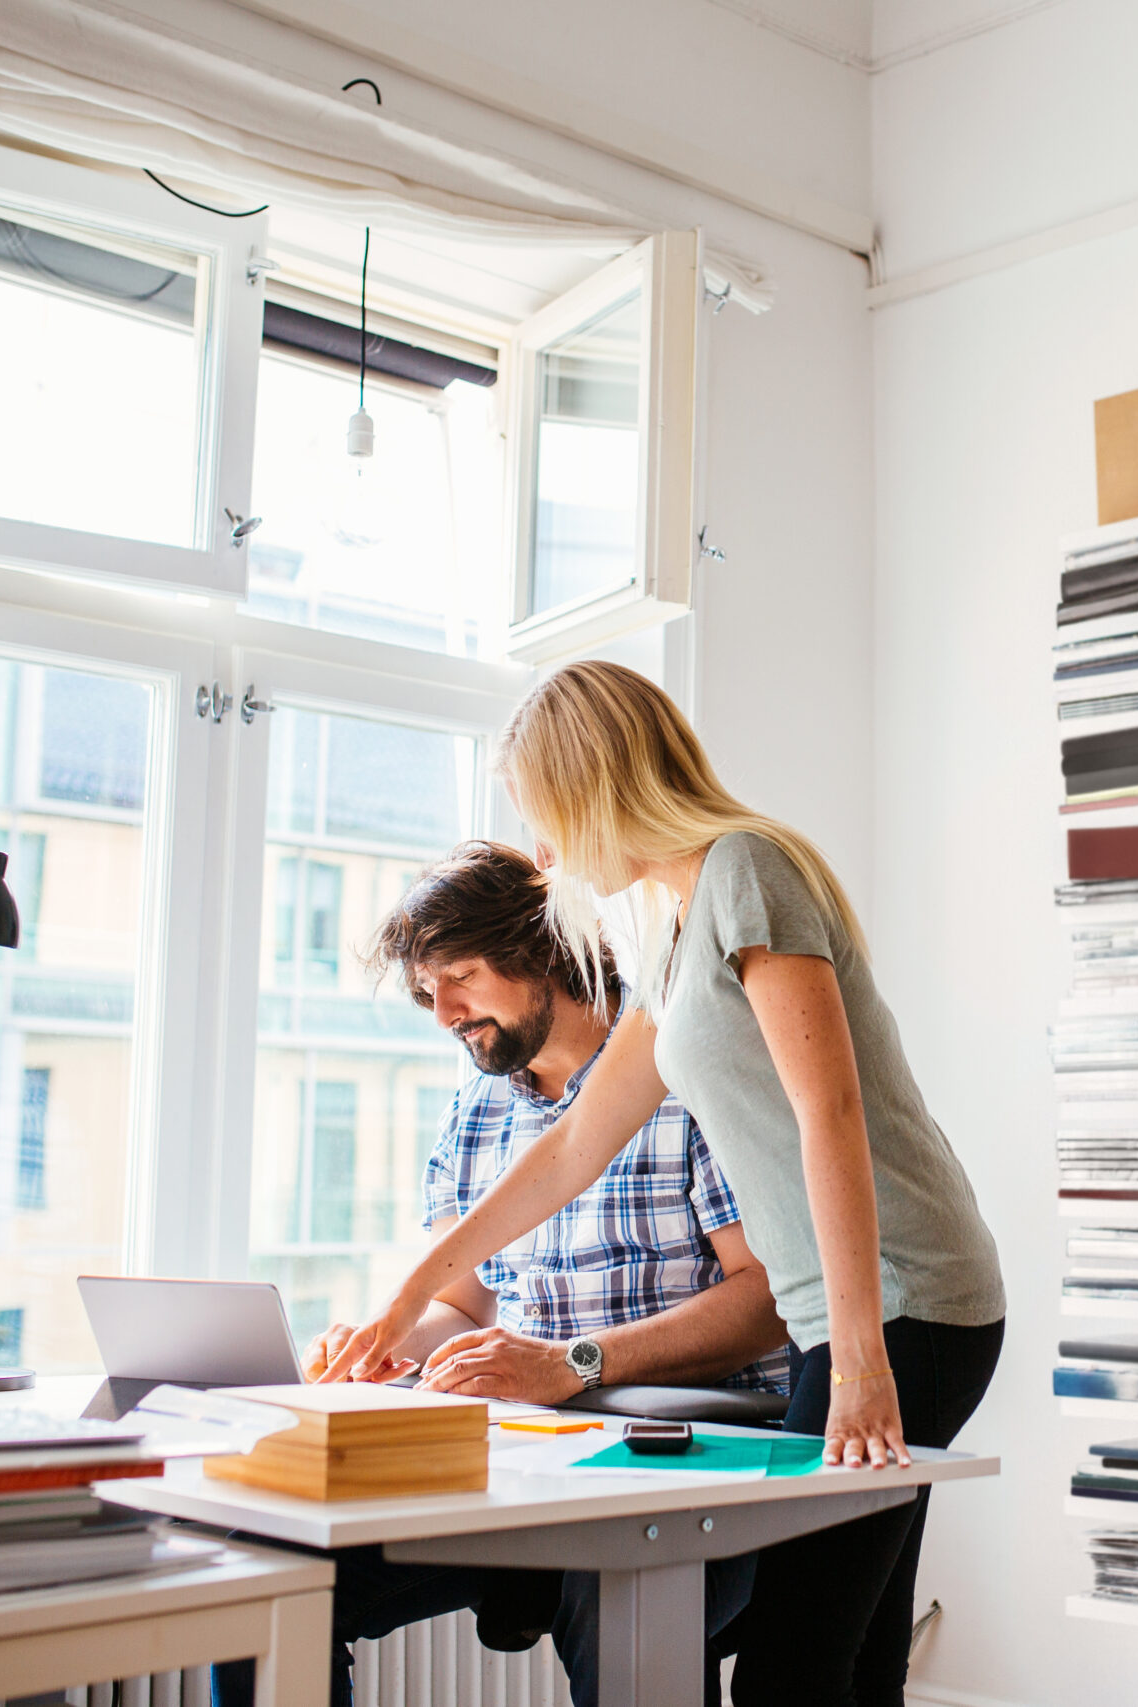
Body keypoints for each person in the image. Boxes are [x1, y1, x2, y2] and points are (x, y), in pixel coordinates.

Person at [324, 660, 1008, 1706]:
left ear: (594, 782)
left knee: (792, 1667)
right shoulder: (680, 934)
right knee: (847, 1658)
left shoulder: (748, 869)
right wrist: (402, 1302)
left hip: (904, 1303)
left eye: (544, 814)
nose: (545, 850)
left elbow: (831, 1115)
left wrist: (861, 1354)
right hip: (862, 1311)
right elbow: (564, 1152)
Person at [219, 839, 793, 1707]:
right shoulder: (478, 1102)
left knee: (612, 1592)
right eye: (428, 990)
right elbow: (460, 1303)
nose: (444, 1010)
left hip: (685, 1449)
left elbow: (765, 1303)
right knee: (265, 1581)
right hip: (528, 1455)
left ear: (539, 951)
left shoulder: (683, 1066)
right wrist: (388, 1343)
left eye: (462, 976)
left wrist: (572, 1363)